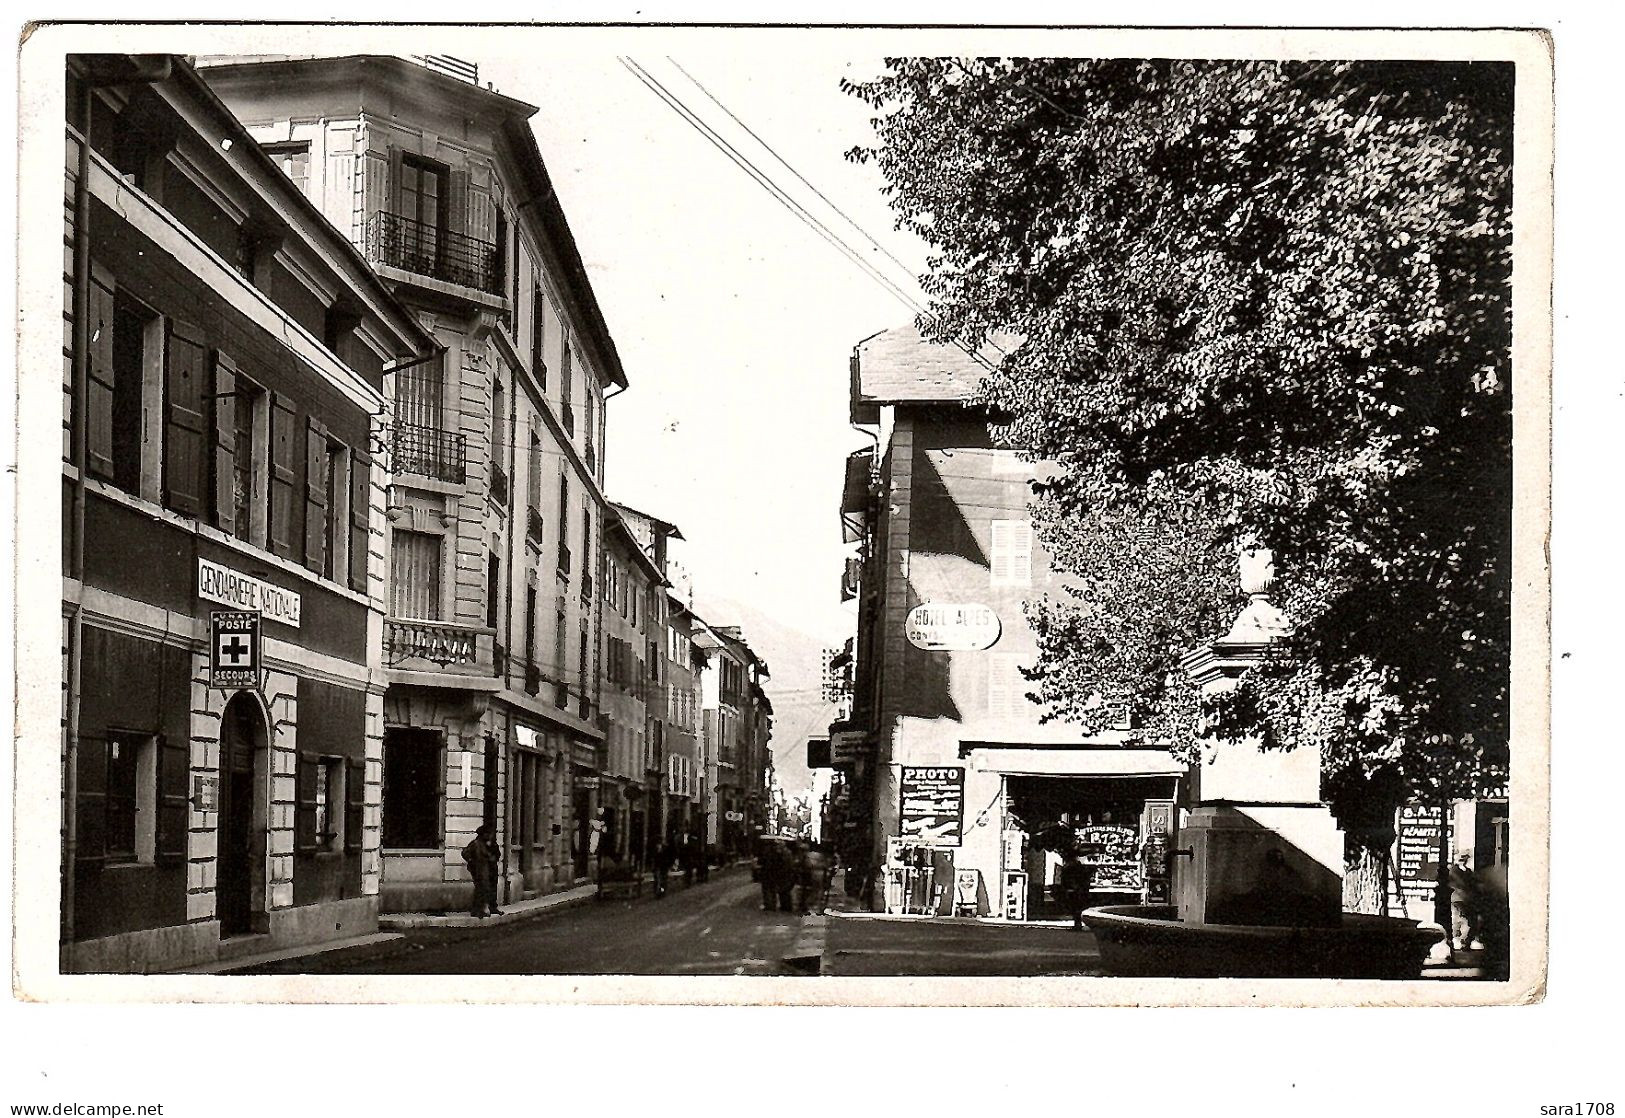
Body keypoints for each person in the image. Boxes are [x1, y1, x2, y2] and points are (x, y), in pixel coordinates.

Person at [462, 823, 502, 918]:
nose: (489, 835)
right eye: (487, 834)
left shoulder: (491, 844)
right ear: (482, 834)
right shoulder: (476, 844)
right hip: (480, 870)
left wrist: (493, 853)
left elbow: (498, 854)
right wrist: (472, 862)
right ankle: (477, 910)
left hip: (491, 870)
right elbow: (465, 853)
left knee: (492, 888)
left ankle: (492, 908)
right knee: (481, 889)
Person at [1057, 848, 1094, 931]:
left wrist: (1070, 887)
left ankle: (1077, 924)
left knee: (1075, 908)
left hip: (1074, 890)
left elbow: (1068, 878)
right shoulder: (1079, 866)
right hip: (1078, 890)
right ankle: (1077, 923)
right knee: (1076, 908)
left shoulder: (1071, 867)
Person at [757, 840, 782, 911]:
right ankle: (773, 904)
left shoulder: (764, 852)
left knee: (766, 889)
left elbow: (760, 861)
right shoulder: (777, 853)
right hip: (774, 873)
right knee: (773, 889)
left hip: (766, 873)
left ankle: (767, 904)